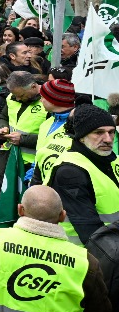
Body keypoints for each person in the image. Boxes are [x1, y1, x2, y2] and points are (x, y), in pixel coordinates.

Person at [48, 105, 118, 246]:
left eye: (111, 132)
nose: (108, 139)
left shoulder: (110, 159)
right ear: (81, 137)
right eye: (98, 133)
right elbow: (91, 231)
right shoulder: (70, 172)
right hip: (84, 256)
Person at [35, 78, 78, 185]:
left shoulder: (77, 125)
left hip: (63, 184)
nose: (40, 100)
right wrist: (31, 176)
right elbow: (38, 156)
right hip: (40, 183)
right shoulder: (47, 123)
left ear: (54, 100)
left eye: (43, 97)